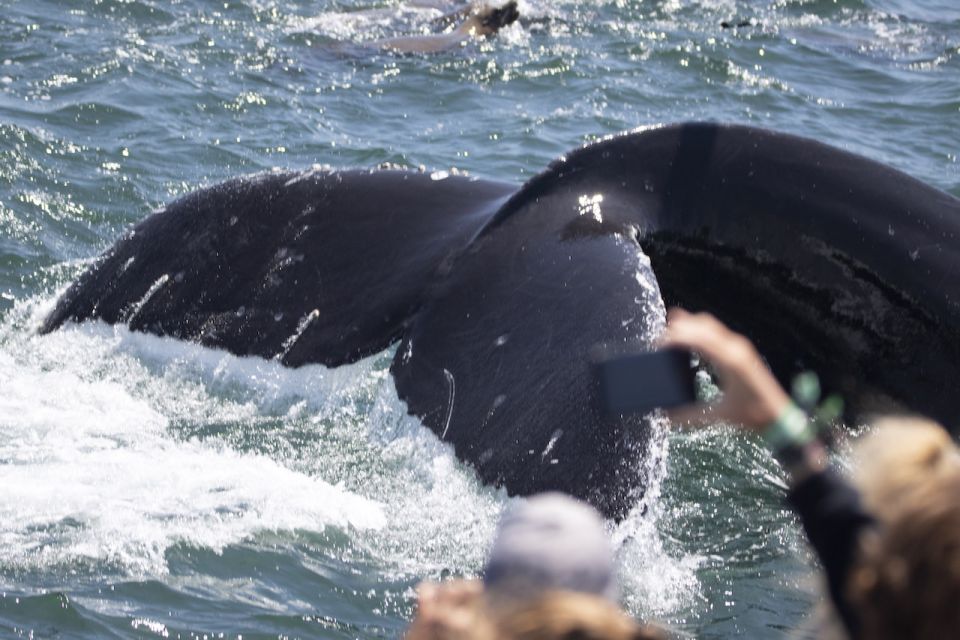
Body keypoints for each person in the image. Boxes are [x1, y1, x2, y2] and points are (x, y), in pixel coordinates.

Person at [661, 308, 960, 640]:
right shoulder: (888, 600)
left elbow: (841, 528)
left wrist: (775, 417)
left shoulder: (876, 599)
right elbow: (842, 528)